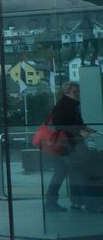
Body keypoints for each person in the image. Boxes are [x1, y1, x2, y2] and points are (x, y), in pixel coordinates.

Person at [42, 80, 95, 212]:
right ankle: (87, 202)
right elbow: (64, 127)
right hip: (69, 145)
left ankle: (52, 201)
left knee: (61, 173)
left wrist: (85, 129)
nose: (78, 94)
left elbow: (71, 125)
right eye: (75, 92)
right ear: (67, 92)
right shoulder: (66, 107)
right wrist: (81, 132)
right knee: (78, 172)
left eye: (78, 92)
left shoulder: (68, 106)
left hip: (64, 146)